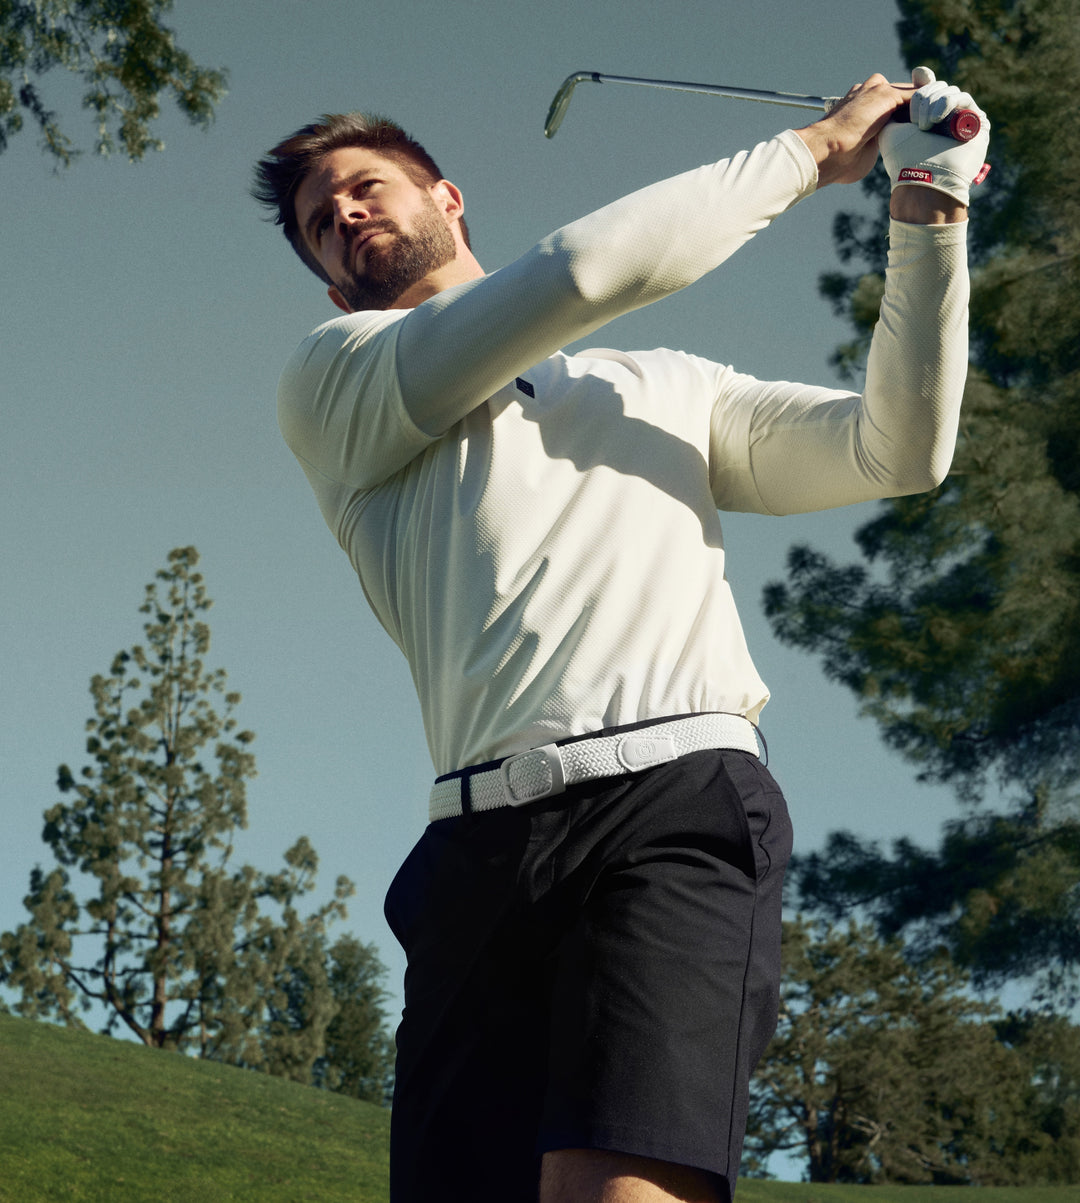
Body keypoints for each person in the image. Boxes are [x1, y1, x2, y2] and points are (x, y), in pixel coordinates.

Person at [253, 69, 989, 1203]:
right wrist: (808, 154)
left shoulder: (666, 388)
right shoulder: (340, 382)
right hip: (470, 861)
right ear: (335, 289)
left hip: (671, 809)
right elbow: (588, 272)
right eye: (318, 223)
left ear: (449, 198)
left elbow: (896, 451)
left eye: (363, 187)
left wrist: (930, 210)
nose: (342, 217)